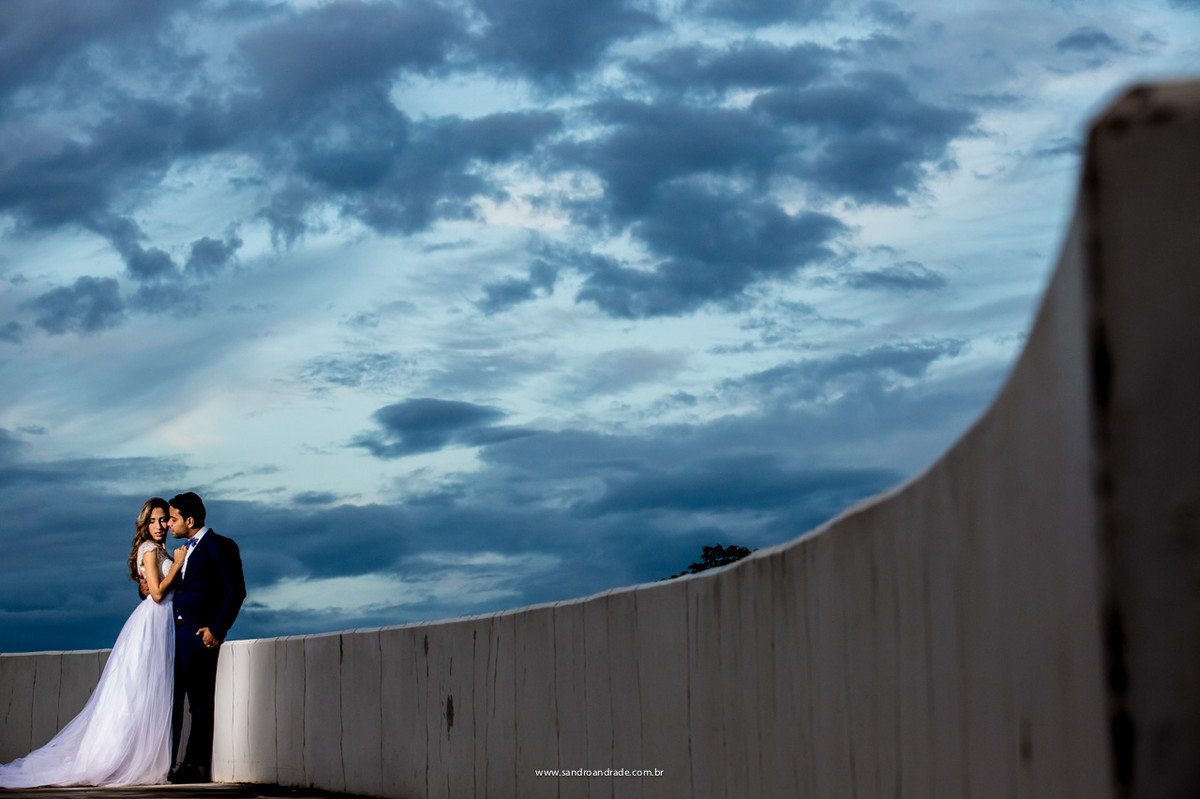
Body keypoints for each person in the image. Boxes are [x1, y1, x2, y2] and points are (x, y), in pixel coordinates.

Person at [0, 498, 186, 788]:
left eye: (163, 520)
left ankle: (141, 758)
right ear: (144, 524)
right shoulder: (151, 550)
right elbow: (158, 594)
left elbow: (148, 587)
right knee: (138, 691)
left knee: (149, 693)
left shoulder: (157, 549)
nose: (160, 526)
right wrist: (177, 565)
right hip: (153, 621)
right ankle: (118, 758)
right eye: (153, 521)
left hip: (159, 623)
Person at [166, 491, 246, 785]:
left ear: (189, 520)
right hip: (174, 637)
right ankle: (168, 763)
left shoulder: (220, 546)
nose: (169, 525)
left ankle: (193, 765)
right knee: (171, 704)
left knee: (199, 704)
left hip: (199, 637)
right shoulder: (180, 551)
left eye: (173, 519)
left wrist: (217, 629)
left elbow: (235, 590)